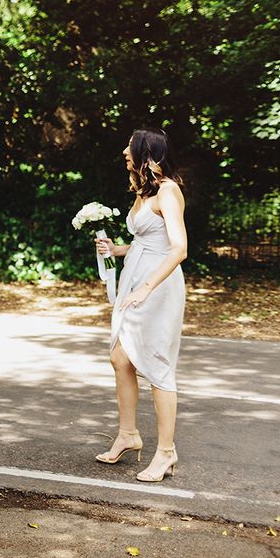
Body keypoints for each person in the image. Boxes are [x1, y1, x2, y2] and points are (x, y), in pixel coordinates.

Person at [94, 128, 187, 482]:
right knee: (120, 357)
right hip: (135, 282)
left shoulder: (169, 191)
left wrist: (146, 288)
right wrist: (116, 250)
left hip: (157, 287)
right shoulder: (143, 192)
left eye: (130, 148)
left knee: (157, 365)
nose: (123, 152)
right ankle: (128, 434)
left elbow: (178, 248)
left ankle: (166, 452)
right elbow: (147, 242)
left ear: (148, 156)